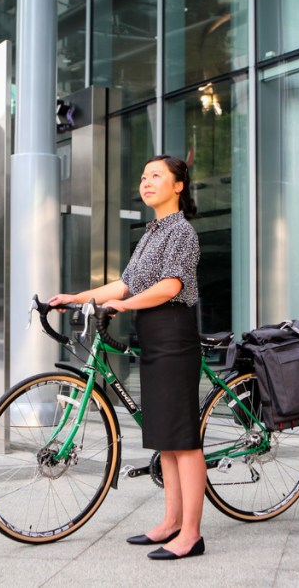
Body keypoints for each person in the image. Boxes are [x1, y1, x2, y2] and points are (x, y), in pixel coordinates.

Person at [49, 155, 205, 561]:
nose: (146, 181)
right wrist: (75, 298)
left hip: (174, 337)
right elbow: (123, 284)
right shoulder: (151, 232)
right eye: (143, 175)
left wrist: (125, 306)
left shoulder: (181, 232)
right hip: (153, 340)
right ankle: (170, 522)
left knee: (184, 442)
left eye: (156, 175)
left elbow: (172, 285)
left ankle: (191, 533)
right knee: (166, 441)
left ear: (178, 186)